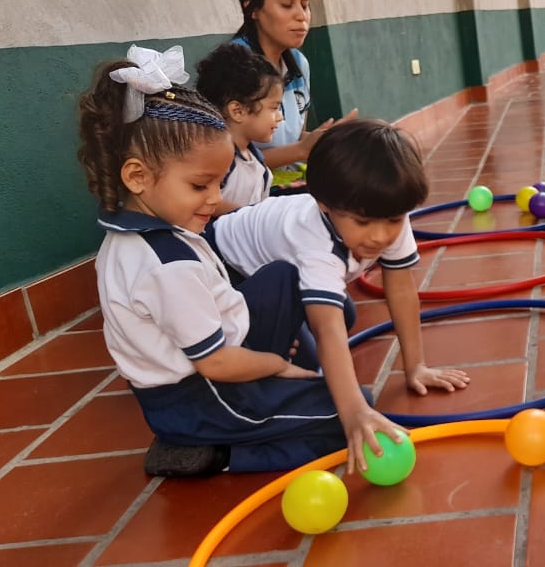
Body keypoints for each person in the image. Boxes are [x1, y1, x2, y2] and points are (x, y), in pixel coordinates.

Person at [77, 45, 385, 477]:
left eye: (217, 183)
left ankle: (297, 376)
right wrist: (277, 366)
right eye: (201, 186)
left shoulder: (155, 227)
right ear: (137, 177)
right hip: (203, 397)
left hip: (227, 348)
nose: (217, 199)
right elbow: (216, 363)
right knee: (351, 413)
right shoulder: (166, 265)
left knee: (285, 276)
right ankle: (215, 454)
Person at [206, 120, 471, 446]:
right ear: (324, 205)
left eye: (393, 220)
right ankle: (245, 388)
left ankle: (274, 341)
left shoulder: (390, 217)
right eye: (362, 222)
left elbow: (402, 290)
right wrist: (354, 411)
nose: (379, 235)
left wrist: (415, 366)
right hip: (223, 272)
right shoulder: (314, 240)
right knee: (320, 363)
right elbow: (326, 329)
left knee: (342, 312)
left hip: (272, 278)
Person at [230, 0, 355, 171]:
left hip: (290, 180)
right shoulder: (234, 65)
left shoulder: (298, 63)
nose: (301, 16)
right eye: (286, 5)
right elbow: (228, 161)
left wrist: (328, 140)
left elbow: (294, 137)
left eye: (305, 6)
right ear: (252, 8)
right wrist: (300, 151)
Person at [196, 43, 283, 215]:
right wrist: (248, 218)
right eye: (274, 108)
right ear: (238, 111)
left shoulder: (259, 167)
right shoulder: (217, 161)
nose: (280, 116)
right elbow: (203, 200)